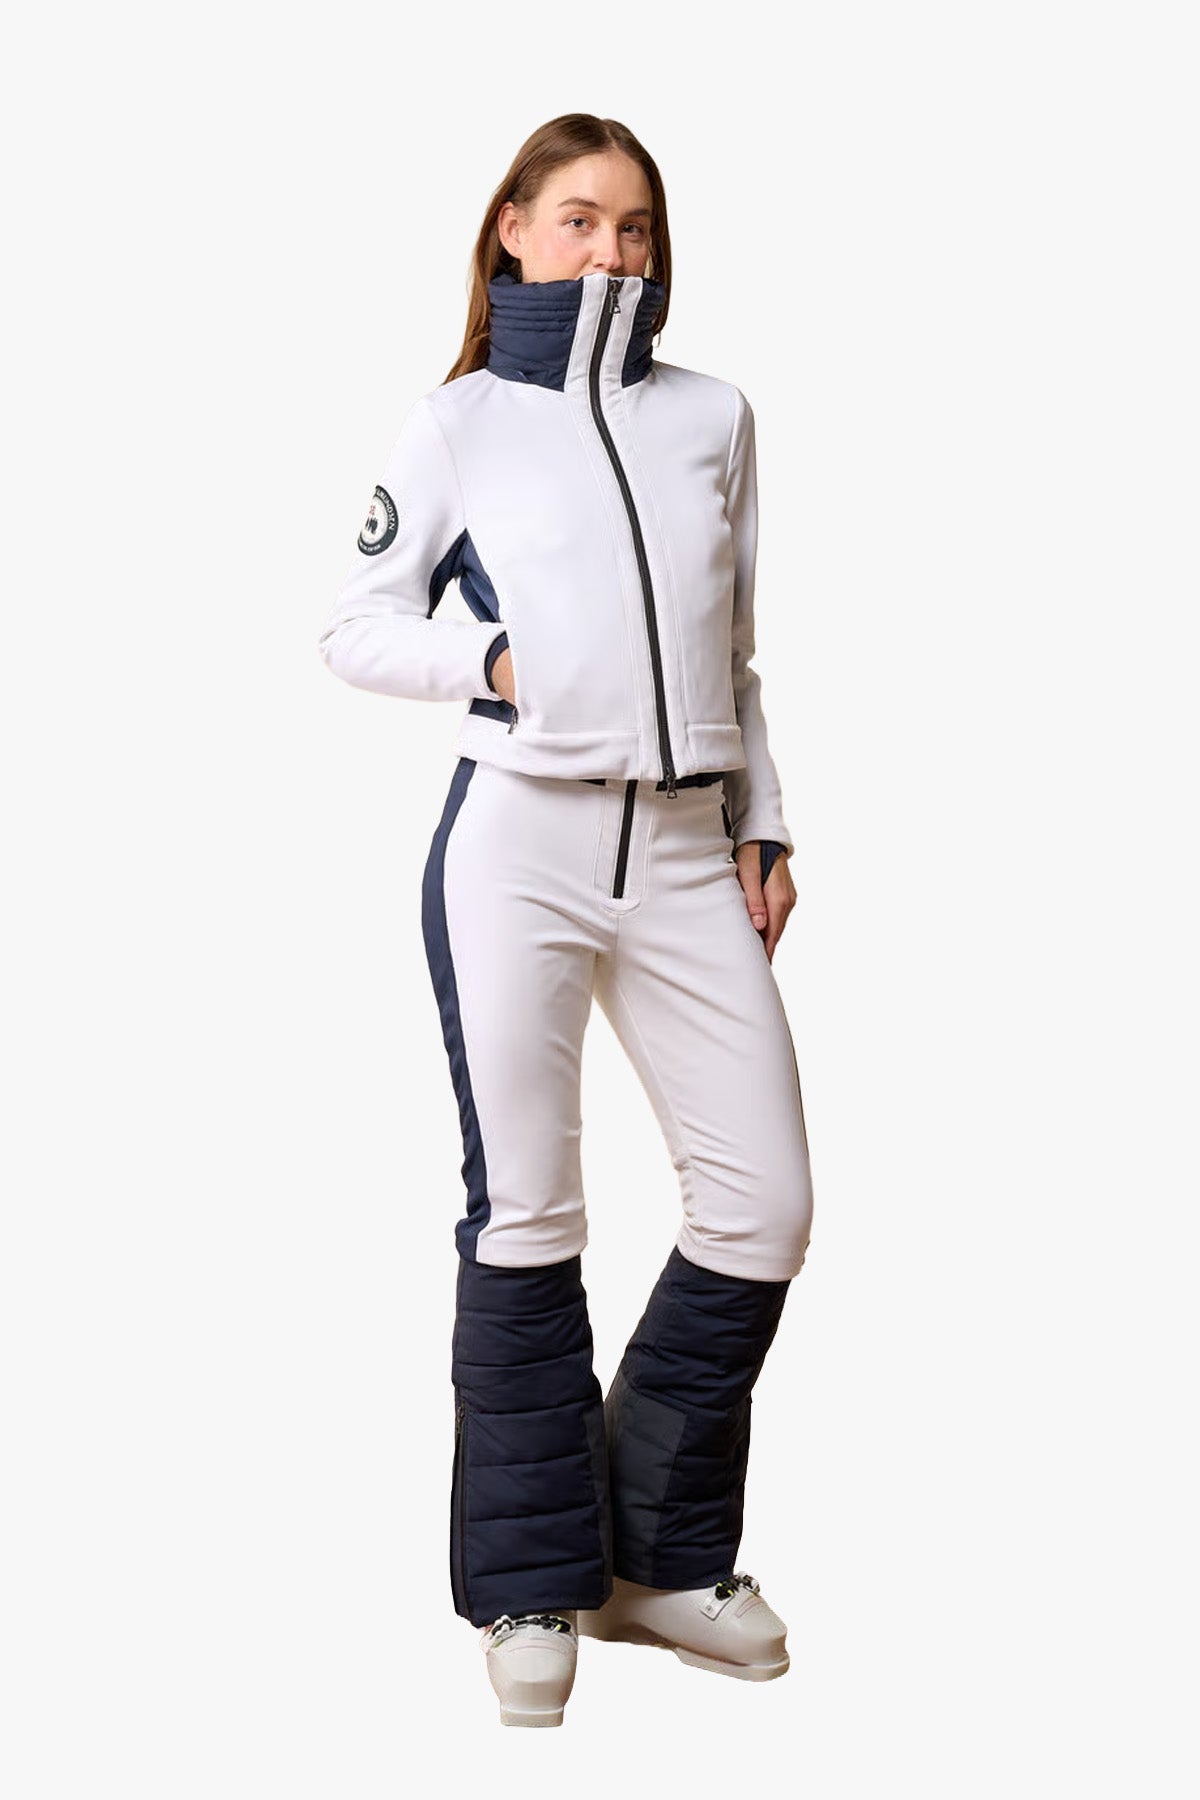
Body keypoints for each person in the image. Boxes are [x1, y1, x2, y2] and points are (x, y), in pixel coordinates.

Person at [317, 112, 815, 1729]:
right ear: (515, 232)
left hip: (682, 852)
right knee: (529, 1209)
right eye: (583, 218)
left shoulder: (714, 416)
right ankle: (533, 1580)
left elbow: (735, 651)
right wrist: (497, 663)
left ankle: (656, 1561)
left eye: (636, 227)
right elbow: (355, 625)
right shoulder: (459, 422)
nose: (613, 250)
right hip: (517, 845)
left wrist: (760, 818)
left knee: (763, 1204)